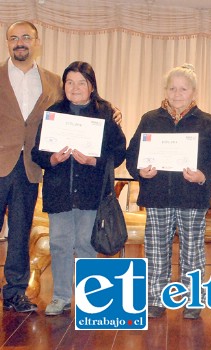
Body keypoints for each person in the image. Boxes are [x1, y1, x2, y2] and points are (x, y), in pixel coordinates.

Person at [126, 64, 211, 319]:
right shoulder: (150, 119)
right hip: (157, 196)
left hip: (192, 197)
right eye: (172, 88)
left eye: (183, 89)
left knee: (192, 250)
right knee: (156, 248)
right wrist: (141, 171)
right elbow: (132, 155)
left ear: (194, 92)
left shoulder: (208, 122)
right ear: (165, 90)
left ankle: (193, 300)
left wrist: (204, 175)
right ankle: (155, 299)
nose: (177, 93)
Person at [31, 61, 126, 315]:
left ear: (91, 86)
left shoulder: (106, 114)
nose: (75, 88)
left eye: (81, 82)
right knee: (60, 243)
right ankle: (61, 296)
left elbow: (119, 153)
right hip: (59, 191)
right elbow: (37, 153)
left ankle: (87, 298)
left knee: (86, 243)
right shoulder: (53, 113)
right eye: (69, 82)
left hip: (91, 193)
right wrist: (52, 159)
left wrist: (93, 161)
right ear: (64, 85)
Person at [0, 20, 63, 312]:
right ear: (8, 43)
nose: (19, 42)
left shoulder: (53, 82)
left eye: (26, 37)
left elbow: (70, 116)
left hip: (30, 167)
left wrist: (106, 112)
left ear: (37, 42)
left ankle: (14, 292)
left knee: (21, 232)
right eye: (13, 38)